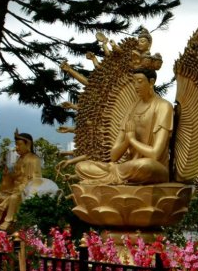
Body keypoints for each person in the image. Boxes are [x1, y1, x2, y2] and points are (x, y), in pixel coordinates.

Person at [69, 55, 174, 185]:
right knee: (81, 166)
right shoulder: (131, 109)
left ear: (151, 82)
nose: (136, 86)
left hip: (154, 168)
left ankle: (111, 176)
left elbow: (155, 154)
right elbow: (114, 156)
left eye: (140, 81)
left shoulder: (163, 106)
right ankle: (115, 176)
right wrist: (126, 141)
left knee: (145, 165)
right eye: (134, 81)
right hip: (129, 167)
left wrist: (132, 140)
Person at [0, 131, 44, 231]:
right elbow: (14, 179)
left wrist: (20, 189)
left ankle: (8, 221)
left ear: (28, 144)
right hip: (12, 190)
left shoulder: (33, 159)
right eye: (16, 145)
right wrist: (7, 176)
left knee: (14, 197)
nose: (17, 148)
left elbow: (34, 180)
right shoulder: (20, 159)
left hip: (24, 192)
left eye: (19, 145)